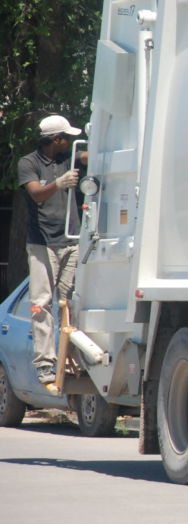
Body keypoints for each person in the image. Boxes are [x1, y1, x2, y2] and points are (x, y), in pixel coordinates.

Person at [17, 115, 85, 385]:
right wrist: (59, 183)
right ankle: (45, 363)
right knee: (41, 304)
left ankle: (75, 360)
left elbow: (91, 155)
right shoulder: (28, 163)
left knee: (71, 303)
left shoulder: (70, 158)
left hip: (72, 241)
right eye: (66, 137)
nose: (69, 141)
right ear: (55, 140)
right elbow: (36, 194)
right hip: (42, 243)